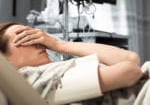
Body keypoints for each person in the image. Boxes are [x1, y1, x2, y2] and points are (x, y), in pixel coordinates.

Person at [0, 22, 143, 104]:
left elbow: (131, 59)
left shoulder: (50, 71)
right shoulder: (33, 79)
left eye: (33, 35)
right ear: (5, 62)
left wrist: (58, 44)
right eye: (24, 39)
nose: (38, 42)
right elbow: (130, 71)